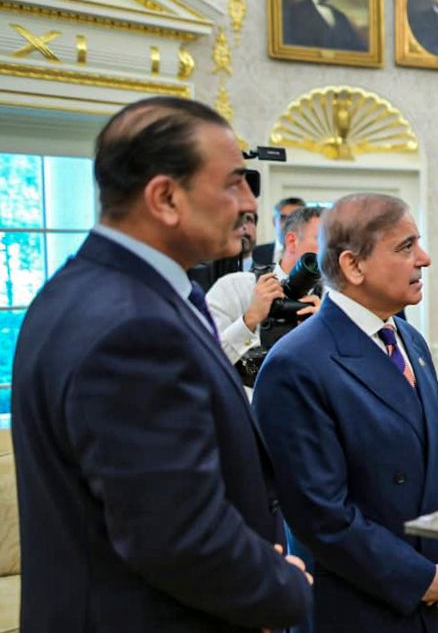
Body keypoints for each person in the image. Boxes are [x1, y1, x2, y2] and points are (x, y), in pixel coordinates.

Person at [10, 96, 312, 632]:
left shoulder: (91, 288)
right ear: (165, 197)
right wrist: (283, 585)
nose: (248, 202)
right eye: (234, 182)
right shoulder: (132, 327)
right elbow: (174, 533)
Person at [253, 193, 438, 632]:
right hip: (358, 607)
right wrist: (420, 579)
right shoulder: (295, 364)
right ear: (353, 266)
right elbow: (320, 515)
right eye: (405, 247)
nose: (425, 259)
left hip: (432, 598)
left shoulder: (412, 342)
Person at [207, 206, 323, 379]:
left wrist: (323, 335)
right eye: (323, 240)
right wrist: (250, 320)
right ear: (292, 241)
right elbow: (204, 361)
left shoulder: (333, 301)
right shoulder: (234, 288)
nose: (333, 251)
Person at [253, 196, 306, 267]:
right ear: (274, 221)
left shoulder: (312, 253)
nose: (288, 223)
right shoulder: (257, 252)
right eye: (283, 218)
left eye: (295, 217)